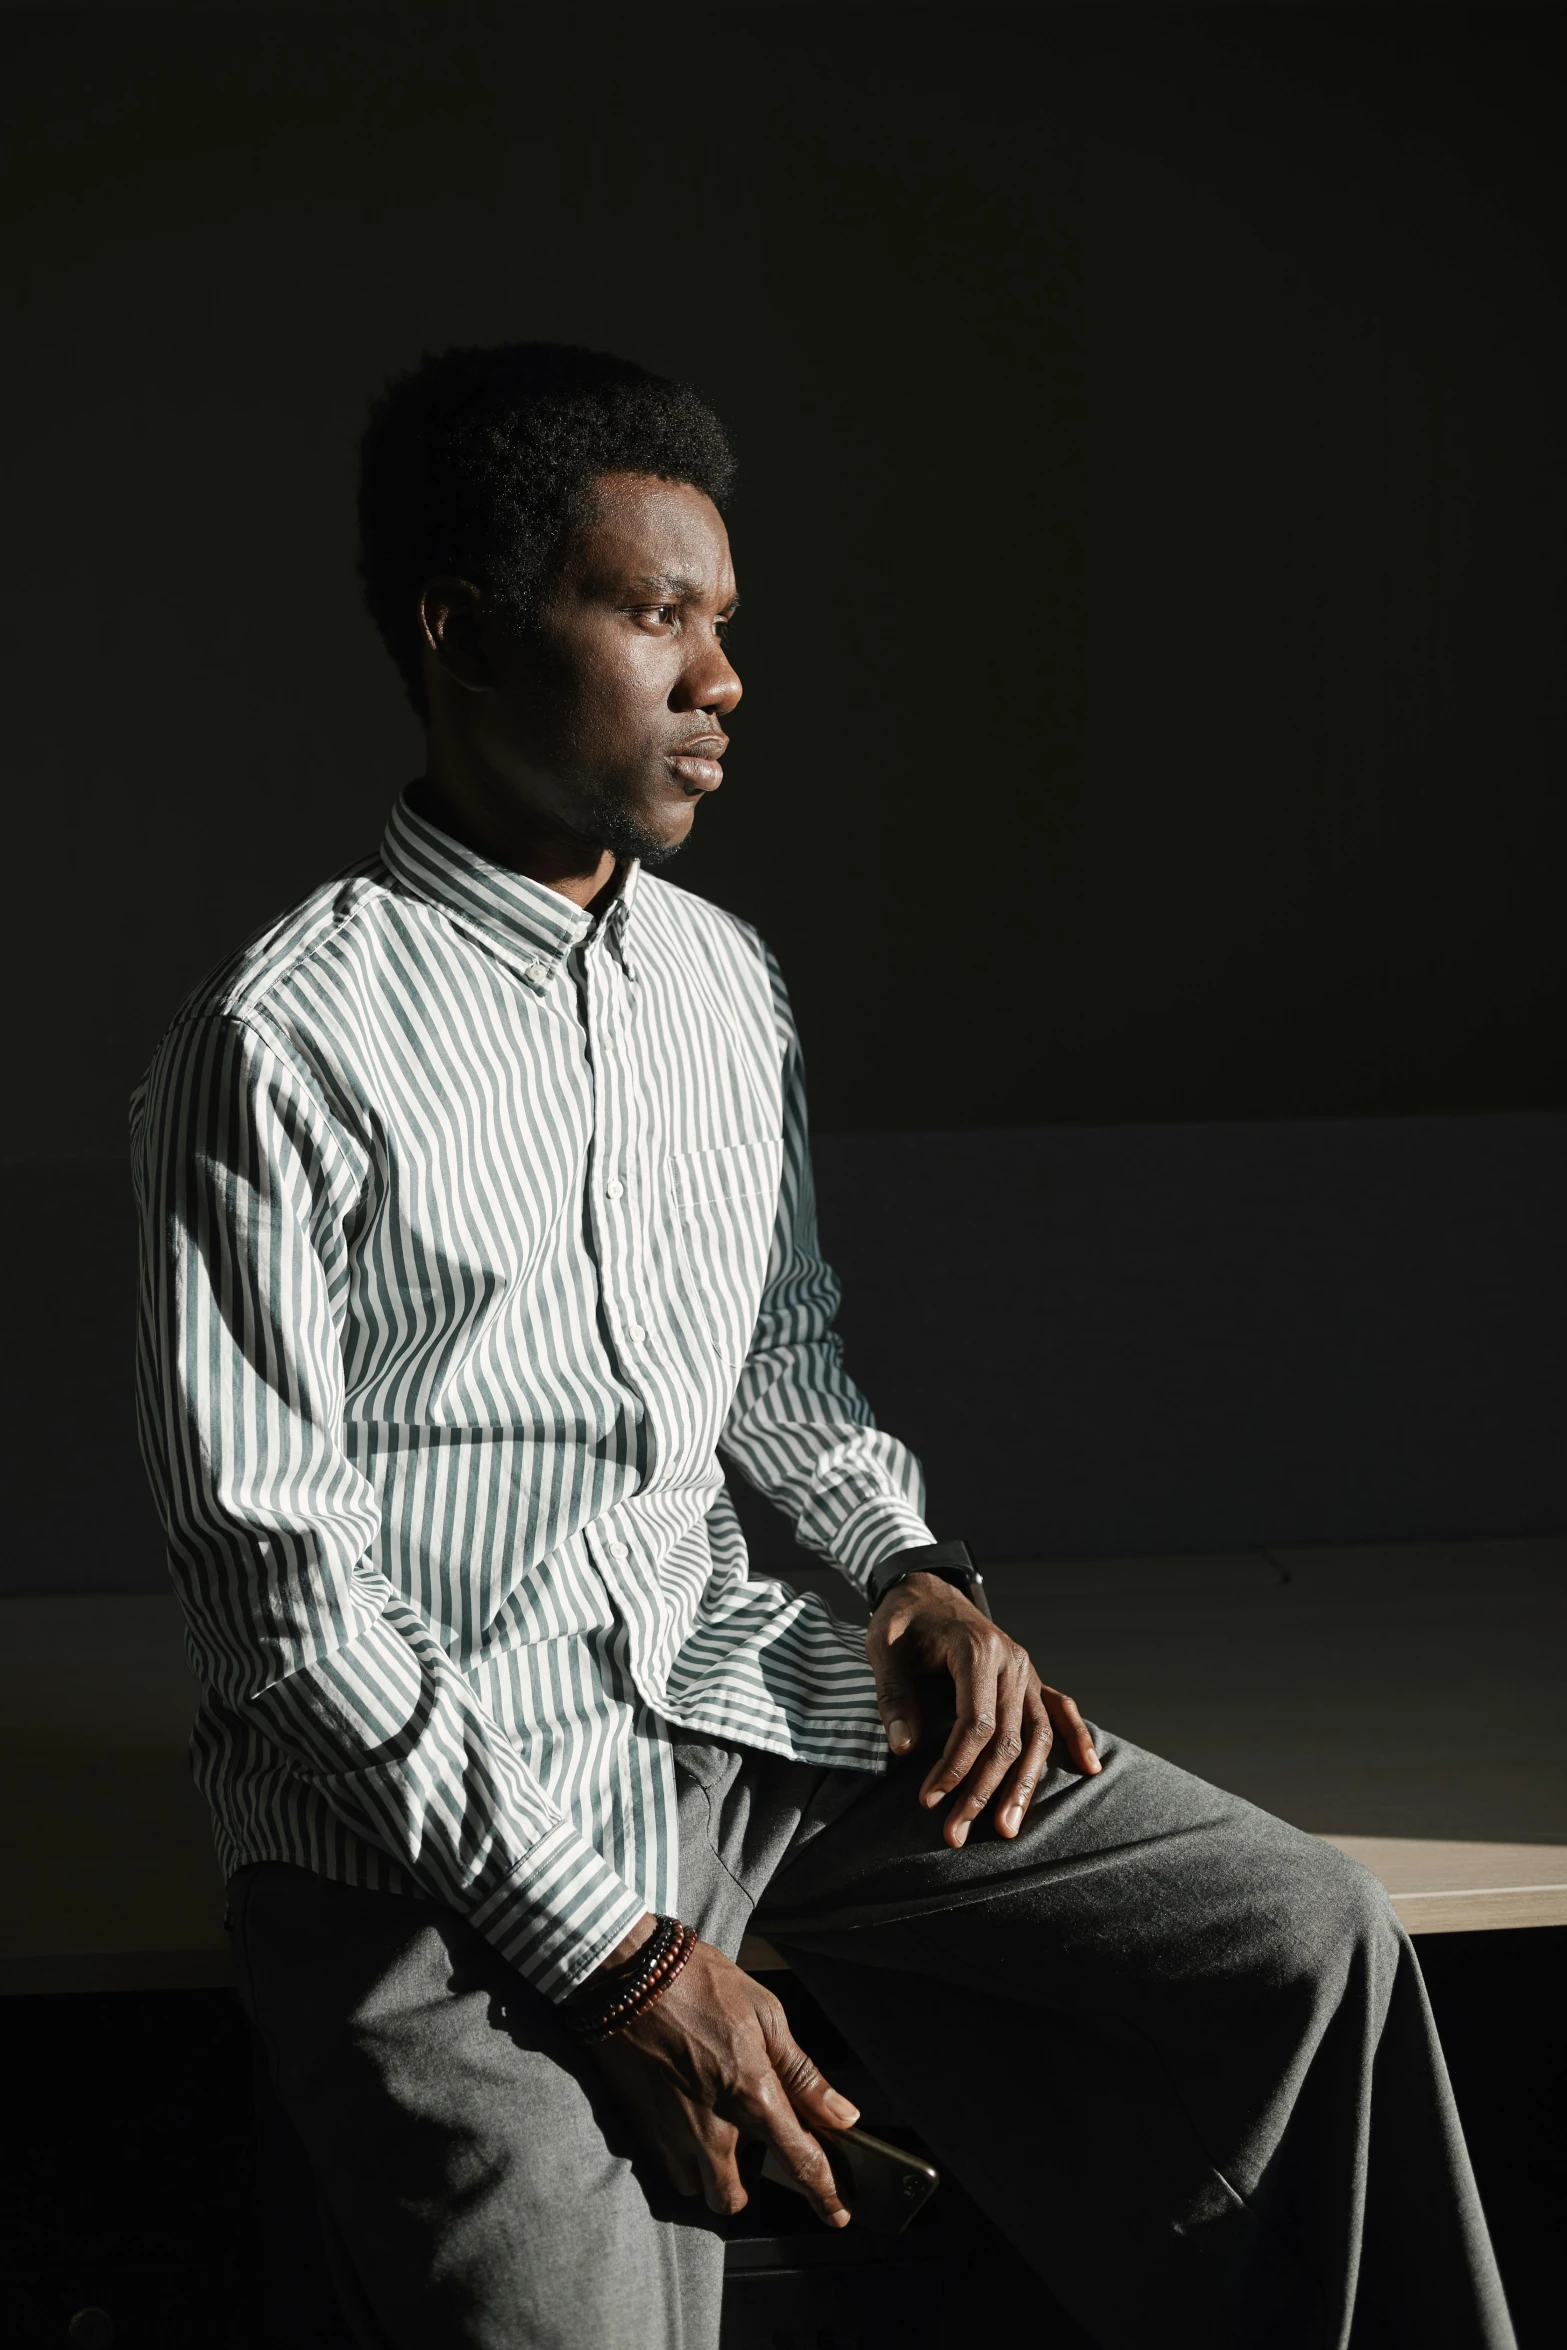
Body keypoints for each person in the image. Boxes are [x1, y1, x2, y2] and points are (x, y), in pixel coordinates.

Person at [132, 344, 1513, 2350]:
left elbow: (781, 1363)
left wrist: (913, 1574)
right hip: (422, 1827)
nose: (723, 677)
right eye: (655, 612)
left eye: (727, 622)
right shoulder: (278, 1038)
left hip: (736, 1722)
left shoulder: (721, 980)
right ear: (468, 630)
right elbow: (277, 1595)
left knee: (1309, 1938)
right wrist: (617, 1958)